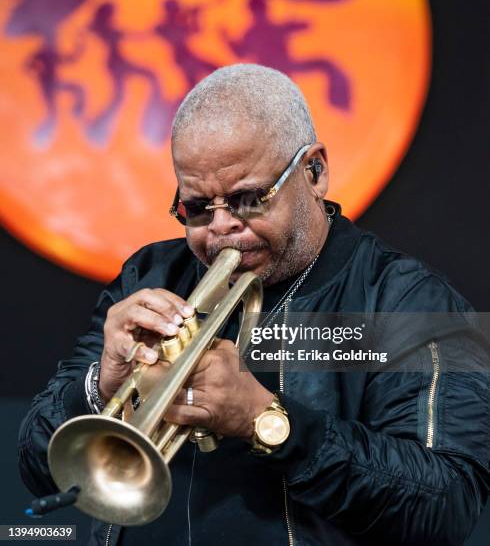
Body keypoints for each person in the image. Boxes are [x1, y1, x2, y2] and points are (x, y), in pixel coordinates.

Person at [19, 64, 489, 545]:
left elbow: (447, 505)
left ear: (314, 171)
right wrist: (100, 386)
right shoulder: (149, 275)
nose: (221, 228)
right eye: (197, 207)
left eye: (247, 199)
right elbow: (39, 466)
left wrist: (266, 420)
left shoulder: (405, 300)